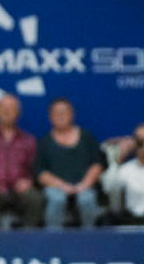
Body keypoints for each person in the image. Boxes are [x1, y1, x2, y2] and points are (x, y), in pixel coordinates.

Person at [0, 94, 45, 228]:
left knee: (35, 198)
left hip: (20, 191)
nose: (7, 111)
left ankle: (28, 238)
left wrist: (30, 182)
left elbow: (37, 169)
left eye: (11, 108)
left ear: (19, 113)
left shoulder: (29, 140)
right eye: (3, 107)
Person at [36, 98, 106, 228]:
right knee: (57, 199)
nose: (60, 116)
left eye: (64, 112)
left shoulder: (87, 138)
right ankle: (53, 236)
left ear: (72, 114)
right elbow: (41, 173)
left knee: (87, 199)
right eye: (56, 113)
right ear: (50, 117)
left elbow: (97, 164)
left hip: (85, 186)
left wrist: (84, 185)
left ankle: (91, 236)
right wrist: (63, 186)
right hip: (56, 187)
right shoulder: (44, 143)